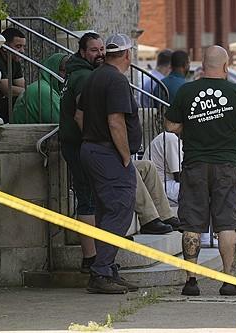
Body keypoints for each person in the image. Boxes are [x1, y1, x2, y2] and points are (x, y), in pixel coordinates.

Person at [165, 45, 236, 296]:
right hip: (226, 165)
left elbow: (171, 125)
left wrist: (191, 129)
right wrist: (234, 128)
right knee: (226, 223)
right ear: (226, 66)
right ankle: (228, 280)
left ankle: (191, 281)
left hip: (194, 164)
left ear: (202, 65)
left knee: (192, 224)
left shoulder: (186, 91)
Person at [77, 33, 141, 294]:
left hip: (92, 149)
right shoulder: (115, 79)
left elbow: (78, 114)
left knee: (106, 210)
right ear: (127, 55)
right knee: (120, 208)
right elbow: (116, 121)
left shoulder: (95, 75)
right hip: (106, 153)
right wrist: (125, 156)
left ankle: (108, 269)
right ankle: (101, 271)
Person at [59, 32, 105, 274]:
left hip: (74, 144)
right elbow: (81, 114)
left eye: (101, 49)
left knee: (89, 198)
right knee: (87, 199)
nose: (100, 54)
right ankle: (91, 258)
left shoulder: (76, 72)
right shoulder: (85, 77)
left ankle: (94, 255)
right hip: (79, 145)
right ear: (83, 52)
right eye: (94, 50)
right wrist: (94, 142)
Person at [13, 53, 69, 124]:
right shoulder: (44, 91)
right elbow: (62, 121)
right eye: (64, 71)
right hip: (26, 133)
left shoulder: (43, 87)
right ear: (53, 70)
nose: (68, 76)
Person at [0, 27, 26, 123]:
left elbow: (22, 86)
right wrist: (31, 93)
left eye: (23, 47)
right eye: (18, 46)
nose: (22, 51)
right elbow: (7, 90)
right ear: (4, 47)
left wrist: (30, 93)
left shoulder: (14, 60)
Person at [142, 131, 183, 204]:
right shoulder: (171, 138)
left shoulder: (171, 137)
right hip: (160, 186)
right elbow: (178, 176)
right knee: (199, 189)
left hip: (161, 184)